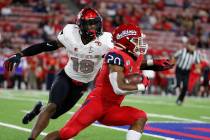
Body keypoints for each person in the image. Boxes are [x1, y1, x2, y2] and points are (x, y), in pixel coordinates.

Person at [4, 7, 114, 140]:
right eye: (89, 23)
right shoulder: (70, 34)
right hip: (66, 77)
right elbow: (46, 45)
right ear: (80, 25)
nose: (92, 27)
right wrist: (21, 54)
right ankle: (31, 138)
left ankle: (38, 109)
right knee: (51, 107)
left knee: (54, 114)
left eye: (95, 23)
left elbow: (122, 59)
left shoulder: (107, 41)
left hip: (82, 84)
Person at [43, 24, 150, 140]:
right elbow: (118, 88)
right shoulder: (115, 55)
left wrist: (155, 63)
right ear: (126, 41)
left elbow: (138, 64)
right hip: (97, 103)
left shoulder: (131, 56)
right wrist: (141, 86)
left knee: (140, 116)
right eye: (136, 40)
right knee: (67, 133)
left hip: (112, 108)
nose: (140, 43)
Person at [173, 36, 201, 105]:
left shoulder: (196, 54)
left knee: (185, 86)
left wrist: (198, 69)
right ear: (188, 45)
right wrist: (172, 64)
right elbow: (174, 56)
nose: (192, 47)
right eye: (191, 45)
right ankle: (176, 89)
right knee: (178, 84)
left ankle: (180, 100)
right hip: (179, 69)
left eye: (193, 46)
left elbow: (197, 63)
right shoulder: (182, 51)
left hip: (187, 71)